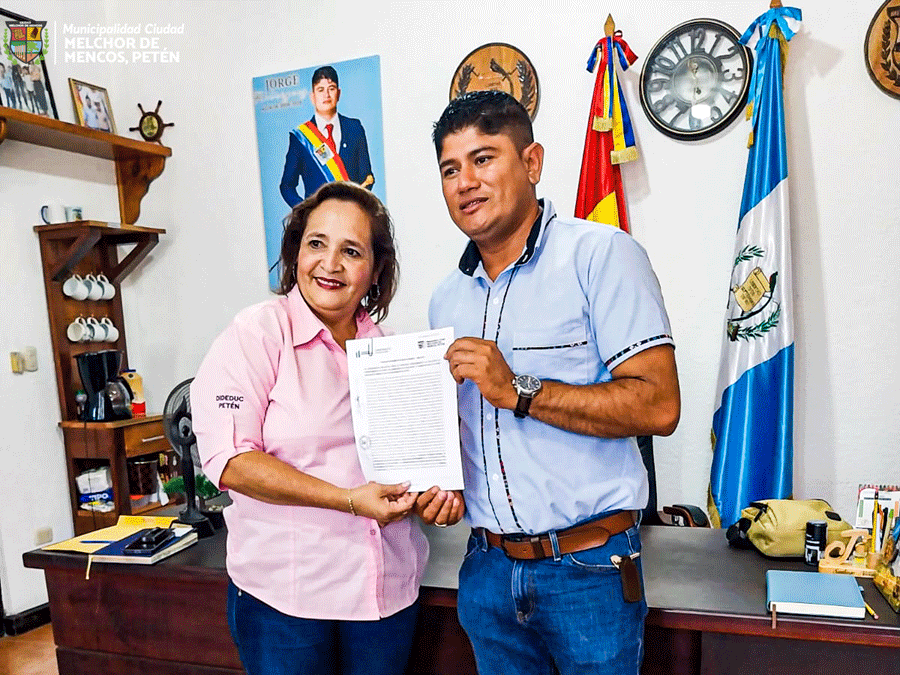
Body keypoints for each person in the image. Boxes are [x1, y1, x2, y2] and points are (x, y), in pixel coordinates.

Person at [426, 90, 681, 675]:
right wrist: (438, 486)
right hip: (486, 569)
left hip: (587, 570)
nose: (466, 182)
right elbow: (462, 433)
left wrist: (519, 390)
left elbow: (659, 405)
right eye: (450, 169)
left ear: (532, 163)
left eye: (483, 159)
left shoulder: (602, 256)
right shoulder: (447, 297)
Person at [191, 181, 461, 675]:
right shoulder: (255, 335)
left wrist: (434, 498)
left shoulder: (394, 352)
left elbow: (415, 470)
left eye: (351, 251)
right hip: (287, 603)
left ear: (375, 270)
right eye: (316, 244)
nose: (330, 263)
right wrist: (349, 500)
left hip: (385, 597)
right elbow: (230, 463)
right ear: (296, 252)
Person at [279, 66, 375, 207]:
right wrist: (306, 211)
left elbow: (367, 177)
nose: (326, 95)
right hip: (319, 218)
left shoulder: (355, 128)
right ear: (312, 97)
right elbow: (287, 186)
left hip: (350, 213)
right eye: (320, 90)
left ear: (338, 93)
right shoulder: (301, 138)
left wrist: (355, 206)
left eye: (331, 88)